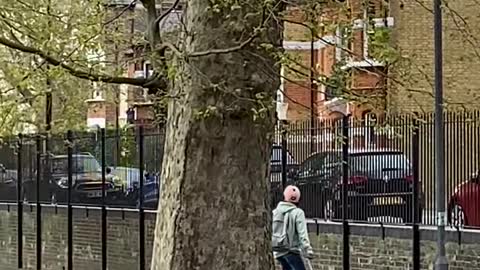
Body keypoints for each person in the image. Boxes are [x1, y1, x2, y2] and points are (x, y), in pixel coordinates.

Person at [272, 185, 314, 270]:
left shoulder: (275, 212)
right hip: (292, 251)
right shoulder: (298, 213)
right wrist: (307, 249)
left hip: (278, 251)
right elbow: (303, 234)